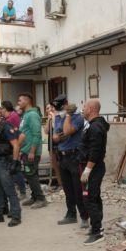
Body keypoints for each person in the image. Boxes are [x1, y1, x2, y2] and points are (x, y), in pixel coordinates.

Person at [51, 95, 88, 228]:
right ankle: (71, 214)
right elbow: (55, 137)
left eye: (61, 106)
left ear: (66, 104)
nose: (59, 109)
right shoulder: (58, 117)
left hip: (74, 156)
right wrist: (58, 136)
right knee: (67, 189)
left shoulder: (77, 117)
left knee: (78, 189)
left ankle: (84, 216)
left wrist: (68, 115)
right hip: (63, 156)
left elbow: (67, 131)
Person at [79, 99, 108, 245]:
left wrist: (87, 170)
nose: (82, 109)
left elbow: (95, 151)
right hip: (92, 167)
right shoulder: (92, 125)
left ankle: (97, 232)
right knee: (94, 197)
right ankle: (97, 226)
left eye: (84, 107)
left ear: (90, 109)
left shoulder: (95, 127)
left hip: (93, 168)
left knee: (90, 198)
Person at [16, 92, 47, 208]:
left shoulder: (32, 115)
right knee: (30, 174)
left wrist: (32, 151)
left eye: (20, 100)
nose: (18, 103)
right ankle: (34, 196)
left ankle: (41, 199)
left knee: (31, 174)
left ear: (27, 101)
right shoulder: (26, 115)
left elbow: (37, 134)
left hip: (31, 151)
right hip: (26, 150)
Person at [2, 100, 26, 197]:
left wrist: (17, 148)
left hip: (14, 146)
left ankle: (22, 192)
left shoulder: (11, 118)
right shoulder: (10, 117)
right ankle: (20, 190)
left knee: (16, 170)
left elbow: (19, 135)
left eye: (1, 108)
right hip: (14, 146)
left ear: (5, 108)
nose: (0, 110)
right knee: (14, 170)